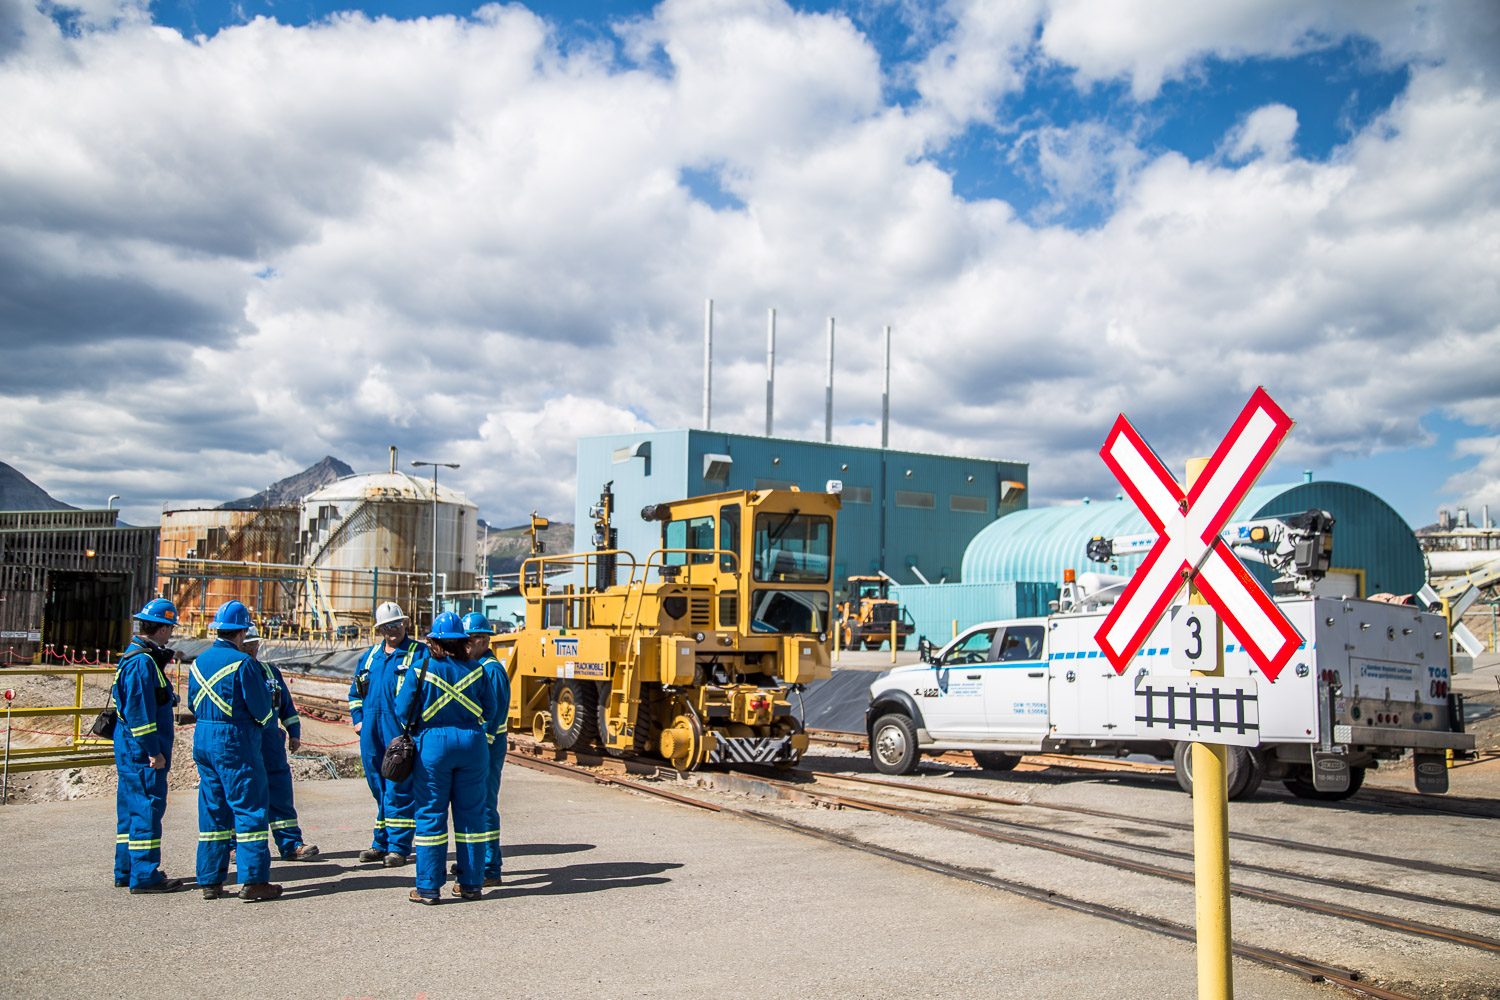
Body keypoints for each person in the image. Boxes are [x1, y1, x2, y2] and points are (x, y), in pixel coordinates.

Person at [395, 611, 496, 904]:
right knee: (472, 816)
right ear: (463, 641)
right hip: (473, 745)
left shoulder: (420, 669)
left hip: (434, 747)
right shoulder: (478, 669)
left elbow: (403, 711)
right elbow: (489, 710)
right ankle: (471, 884)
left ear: (434, 641)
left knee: (430, 814)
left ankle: (428, 888)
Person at [190, 600, 281, 902]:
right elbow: (262, 709)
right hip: (234, 740)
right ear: (242, 631)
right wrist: (269, 724)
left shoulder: (199, 661)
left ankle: (210, 880)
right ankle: (254, 880)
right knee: (250, 807)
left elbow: (192, 703)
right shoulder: (244, 664)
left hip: (203, 737)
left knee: (213, 809)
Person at [113, 598, 185, 894]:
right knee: (147, 807)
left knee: (131, 808)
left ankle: (127, 869)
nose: (171, 634)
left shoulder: (138, 657)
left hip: (131, 747)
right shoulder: (142, 663)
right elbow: (140, 714)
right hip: (141, 749)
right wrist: (153, 751)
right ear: (163, 627)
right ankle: (144, 874)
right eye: (170, 628)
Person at [349, 602, 426, 866]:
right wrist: (358, 720)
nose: (393, 630)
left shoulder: (418, 653)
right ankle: (380, 842)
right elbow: (355, 693)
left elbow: (425, 694)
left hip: (399, 732)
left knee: (399, 786)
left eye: (397, 624)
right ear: (380, 629)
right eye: (387, 626)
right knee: (377, 786)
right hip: (370, 731)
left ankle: (399, 847)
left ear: (405, 623)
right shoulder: (370, 656)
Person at [243, 625, 319, 861]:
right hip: (244, 743)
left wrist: (294, 732)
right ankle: (235, 846)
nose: (252, 648)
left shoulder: (270, 673)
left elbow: (285, 706)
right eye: (247, 644)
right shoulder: (234, 672)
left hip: (271, 745)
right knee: (244, 795)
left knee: (280, 793)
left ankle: (291, 844)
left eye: (254, 643)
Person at [463, 612, 508, 887]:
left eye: (470, 640)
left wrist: (481, 748)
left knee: (485, 806)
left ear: (483, 640)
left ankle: (491, 867)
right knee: (476, 806)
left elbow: (494, 715)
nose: (466, 645)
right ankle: (478, 860)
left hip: (488, 749)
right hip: (481, 747)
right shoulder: (474, 665)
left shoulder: (491, 670)